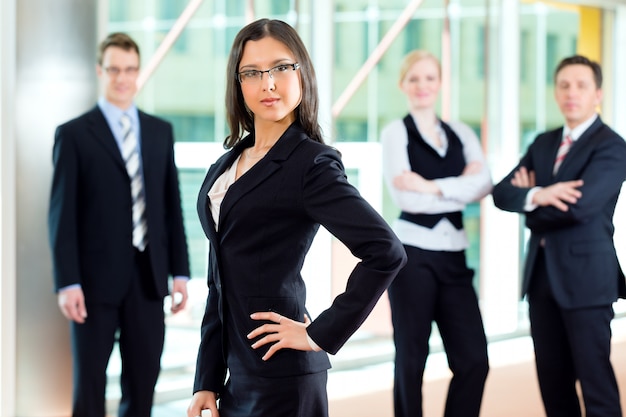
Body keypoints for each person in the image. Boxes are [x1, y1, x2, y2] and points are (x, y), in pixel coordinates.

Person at [186, 18, 407, 417]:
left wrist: (319, 333)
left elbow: (386, 252)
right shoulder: (226, 164)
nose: (267, 84)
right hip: (237, 376)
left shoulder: (311, 164)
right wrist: (207, 379)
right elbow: (219, 280)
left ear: (301, 73)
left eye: (281, 68)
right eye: (252, 73)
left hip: (283, 377)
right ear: (238, 84)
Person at [48, 32, 191, 417]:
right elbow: (62, 216)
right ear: (101, 71)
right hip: (92, 284)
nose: (122, 78)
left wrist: (181, 272)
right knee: (90, 387)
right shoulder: (75, 134)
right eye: (114, 70)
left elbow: (170, 207)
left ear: (138, 72)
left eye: (130, 70)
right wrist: (68, 282)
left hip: (148, 279)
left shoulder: (160, 132)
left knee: (142, 384)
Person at [492, 55, 626, 416]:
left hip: (587, 283)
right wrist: (541, 194)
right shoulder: (543, 143)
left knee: (596, 384)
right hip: (541, 282)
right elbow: (502, 194)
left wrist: (530, 206)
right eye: (564, 85)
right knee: (553, 386)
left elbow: (580, 208)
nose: (572, 93)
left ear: (597, 93)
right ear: (555, 92)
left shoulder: (612, 146)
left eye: (581, 85)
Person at [380, 50, 492, 417]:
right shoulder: (395, 132)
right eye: (414, 79)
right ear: (403, 85)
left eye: (430, 78)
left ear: (440, 83)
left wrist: (430, 187)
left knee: (475, 359)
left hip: (455, 256)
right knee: (411, 360)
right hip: (412, 255)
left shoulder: (461, 131)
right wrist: (460, 184)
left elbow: (485, 185)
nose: (422, 85)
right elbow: (404, 196)